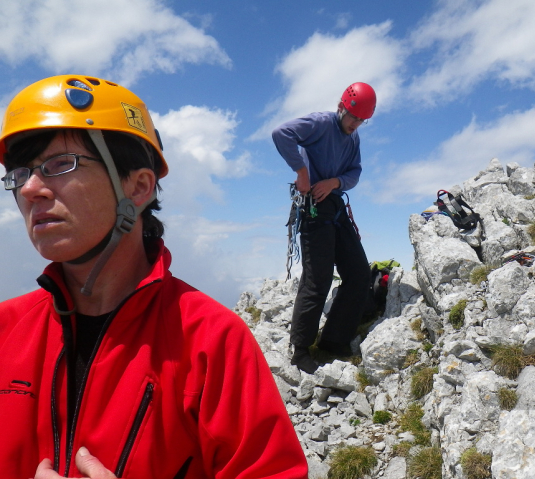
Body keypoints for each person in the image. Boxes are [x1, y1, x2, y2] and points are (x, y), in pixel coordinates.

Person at [0, 75, 308, 479]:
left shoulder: (211, 342)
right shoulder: (6, 329)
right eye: (20, 174)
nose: (29, 189)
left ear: (139, 186)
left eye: (60, 164)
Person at [272, 82, 376, 374]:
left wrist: (334, 182)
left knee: (358, 274)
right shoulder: (320, 123)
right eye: (353, 117)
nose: (355, 124)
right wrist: (301, 171)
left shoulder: (353, 139)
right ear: (342, 107)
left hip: (334, 206)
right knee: (318, 280)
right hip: (313, 208)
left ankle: (333, 341)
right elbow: (281, 134)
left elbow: (354, 172)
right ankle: (300, 349)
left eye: (361, 121)